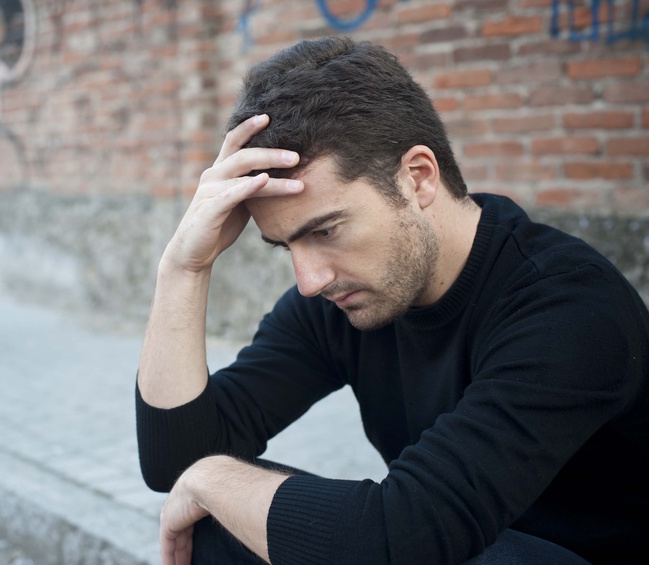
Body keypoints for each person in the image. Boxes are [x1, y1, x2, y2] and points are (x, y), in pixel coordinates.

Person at [135, 36, 649, 565]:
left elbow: (405, 536)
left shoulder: (569, 308)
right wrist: (183, 268)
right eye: (288, 245)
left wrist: (213, 476)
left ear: (418, 178)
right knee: (221, 522)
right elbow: (174, 460)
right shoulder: (342, 298)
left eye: (326, 230)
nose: (309, 279)